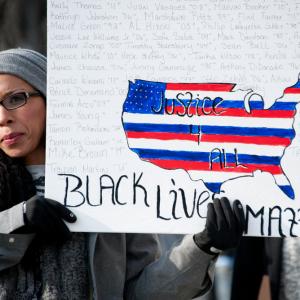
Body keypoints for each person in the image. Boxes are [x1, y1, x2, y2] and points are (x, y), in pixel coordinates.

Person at [0, 48, 246, 299]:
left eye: (15, 98)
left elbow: (142, 292)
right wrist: (16, 222)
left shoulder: (113, 184)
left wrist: (202, 246)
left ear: (50, 96)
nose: (3, 117)